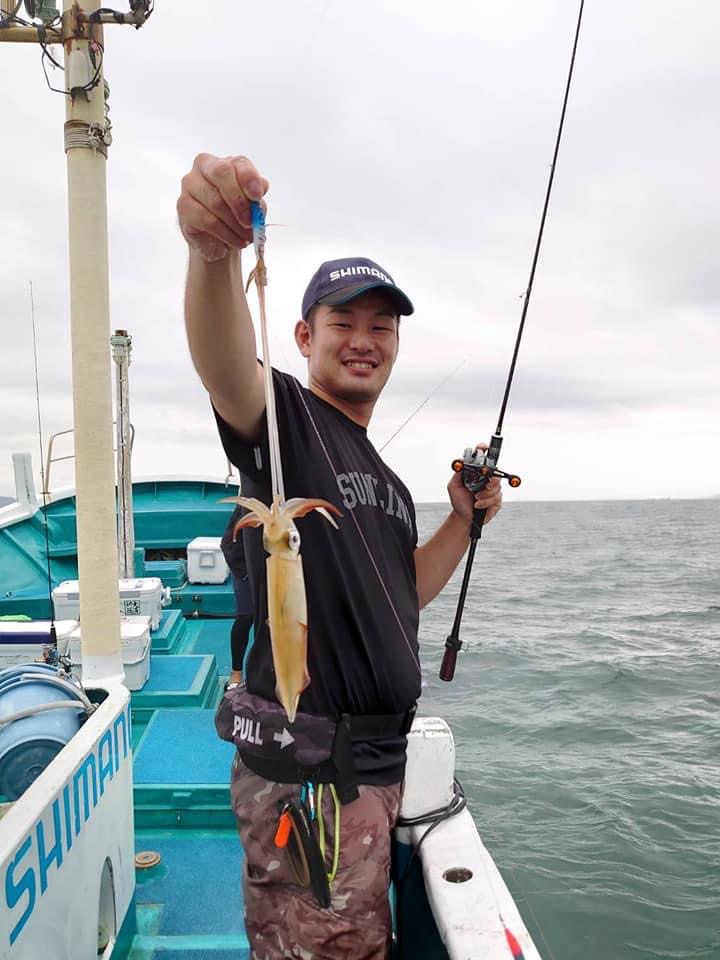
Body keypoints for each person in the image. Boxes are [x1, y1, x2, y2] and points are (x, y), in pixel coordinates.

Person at [178, 153, 502, 960]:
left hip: (371, 771)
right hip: (311, 775)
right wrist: (213, 255)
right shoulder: (285, 422)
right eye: (342, 323)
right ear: (302, 336)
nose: (363, 341)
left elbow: (405, 597)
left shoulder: (387, 483)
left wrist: (460, 520)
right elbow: (225, 364)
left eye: (381, 327)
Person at [220, 504, 253, 688]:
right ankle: (236, 673)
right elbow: (227, 544)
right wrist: (244, 573)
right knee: (245, 618)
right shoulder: (244, 507)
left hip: (273, 569)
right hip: (245, 570)